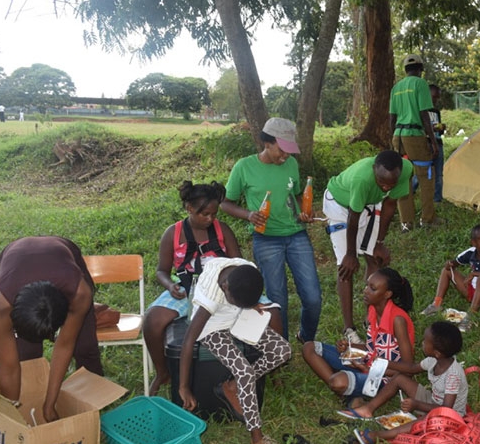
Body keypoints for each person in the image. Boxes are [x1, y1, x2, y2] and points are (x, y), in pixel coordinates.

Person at [221, 117, 322, 344]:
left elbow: (296, 195)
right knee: (278, 300)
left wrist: (303, 212)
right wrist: (248, 214)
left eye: (289, 151)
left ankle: (306, 339)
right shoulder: (244, 167)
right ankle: (281, 346)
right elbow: (225, 203)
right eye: (281, 150)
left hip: (296, 235)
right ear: (267, 143)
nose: (285, 156)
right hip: (266, 239)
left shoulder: (291, 164)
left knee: (313, 297)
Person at [178, 257, 291, 444]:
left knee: (283, 350)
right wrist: (184, 387)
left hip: (237, 318)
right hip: (212, 329)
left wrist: (251, 304)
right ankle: (257, 439)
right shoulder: (211, 297)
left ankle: (232, 386)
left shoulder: (246, 270)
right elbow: (188, 341)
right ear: (225, 287)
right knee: (245, 372)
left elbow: (247, 291)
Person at [142, 180, 242, 395]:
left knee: (271, 313)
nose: (210, 219)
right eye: (204, 214)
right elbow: (161, 270)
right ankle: (163, 372)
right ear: (189, 208)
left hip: (223, 291)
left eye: (214, 214)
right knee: (152, 320)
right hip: (187, 289)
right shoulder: (173, 233)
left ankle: (271, 370)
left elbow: (239, 264)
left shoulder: (222, 230)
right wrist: (170, 285)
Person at [0, 236, 103, 422]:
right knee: (26, 355)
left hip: (63, 253)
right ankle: (29, 404)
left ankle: (93, 409)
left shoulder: (79, 293)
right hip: (14, 258)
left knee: (85, 346)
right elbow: (9, 368)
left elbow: (64, 345)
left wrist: (49, 405)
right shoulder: (0, 307)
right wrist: (10, 419)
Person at [323, 150, 413, 345]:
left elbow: (390, 205)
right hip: (340, 205)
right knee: (346, 267)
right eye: (381, 182)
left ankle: (370, 318)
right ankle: (349, 328)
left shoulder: (406, 170)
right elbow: (353, 217)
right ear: (374, 169)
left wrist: (379, 243)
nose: (386, 187)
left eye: (391, 183)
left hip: (368, 204)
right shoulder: (362, 179)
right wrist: (350, 254)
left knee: (374, 258)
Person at [302, 267, 415, 407]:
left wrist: (369, 369)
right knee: (309, 348)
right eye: (367, 285)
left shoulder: (397, 320)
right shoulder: (373, 309)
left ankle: (352, 391)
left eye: (373, 289)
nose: (366, 290)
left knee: (337, 381)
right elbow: (372, 347)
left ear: (387, 294)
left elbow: (408, 368)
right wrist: (349, 347)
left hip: (385, 378)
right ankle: (351, 392)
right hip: (367, 363)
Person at [347, 321, 467, 444]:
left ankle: (379, 436)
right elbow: (411, 368)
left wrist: (417, 404)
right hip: (434, 402)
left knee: (422, 421)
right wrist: (385, 362)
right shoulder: (433, 361)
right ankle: (368, 409)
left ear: (437, 352)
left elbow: (446, 409)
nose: (422, 343)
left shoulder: (453, 375)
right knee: (399, 378)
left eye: (426, 341)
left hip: (449, 417)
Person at [420, 224, 480, 333]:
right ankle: (436, 304)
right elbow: (455, 262)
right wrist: (449, 264)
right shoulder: (471, 252)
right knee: (446, 271)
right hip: (472, 290)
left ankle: (471, 316)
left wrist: (475, 274)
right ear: (474, 243)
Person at [389, 54, 440, 232]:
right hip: (415, 136)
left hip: (398, 136)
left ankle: (406, 222)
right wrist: (433, 142)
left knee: (403, 177)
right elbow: (425, 115)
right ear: (420, 69)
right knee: (426, 176)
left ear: (405, 70)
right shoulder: (420, 84)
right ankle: (427, 219)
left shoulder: (396, 88)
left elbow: (392, 118)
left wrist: (392, 140)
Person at [427, 84, 445, 202]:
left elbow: (439, 131)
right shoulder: (421, 110)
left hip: (438, 143)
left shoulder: (436, 111)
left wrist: (441, 128)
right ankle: (411, 191)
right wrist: (432, 128)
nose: (436, 101)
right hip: (426, 143)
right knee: (422, 171)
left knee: (439, 173)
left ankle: (437, 199)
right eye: (434, 97)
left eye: (437, 98)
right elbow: (422, 128)